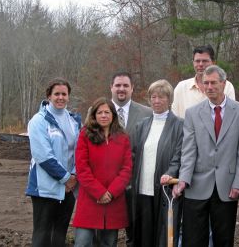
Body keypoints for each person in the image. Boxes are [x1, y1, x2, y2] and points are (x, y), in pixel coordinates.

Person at [173, 65, 239, 247]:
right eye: (205, 83)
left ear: (223, 83)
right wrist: (183, 179)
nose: (209, 87)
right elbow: (189, 150)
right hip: (196, 184)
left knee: (223, 239)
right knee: (193, 239)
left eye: (213, 83)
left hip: (227, 187)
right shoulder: (192, 113)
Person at [26, 78, 81, 247]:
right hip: (45, 189)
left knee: (59, 236)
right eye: (56, 94)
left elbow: (80, 152)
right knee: (42, 237)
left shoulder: (74, 121)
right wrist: (66, 178)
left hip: (68, 190)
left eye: (64, 94)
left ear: (68, 97)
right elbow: (43, 156)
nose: (60, 97)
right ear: (49, 96)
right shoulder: (39, 121)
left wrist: (74, 175)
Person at [73, 97, 132, 247]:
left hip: (113, 201)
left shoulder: (123, 137)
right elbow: (82, 168)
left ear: (113, 115)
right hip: (90, 199)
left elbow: (126, 169)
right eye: (100, 112)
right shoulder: (85, 135)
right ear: (94, 115)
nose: (104, 115)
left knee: (109, 243)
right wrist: (99, 192)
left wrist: (111, 192)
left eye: (107, 112)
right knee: (83, 242)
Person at [131, 79, 184, 247]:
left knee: (163, 235)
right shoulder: (142, 125)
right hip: (143, 188)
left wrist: (171, 172)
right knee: (144, 233)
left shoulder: (179, 125)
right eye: (153, 97)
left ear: (169, 100)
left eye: (161, 97)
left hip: (165, 188)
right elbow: (134, 154)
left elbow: (179, 155)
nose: (157, 101)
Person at [110, 71, 152, 246]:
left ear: (132, 88)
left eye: (125, 85)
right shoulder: (99, 110)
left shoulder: (147, 113)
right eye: (118, 85)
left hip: (136, 182)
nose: (121, 89)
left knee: (135, 230)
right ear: (111, 87)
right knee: (105, 231)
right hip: (107, 182)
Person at [172, 44, 236, 118]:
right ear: (193, 62)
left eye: (205, 61)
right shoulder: (181, 88)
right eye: (197, 61)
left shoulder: (226, 86)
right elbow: (175, 118)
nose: (201, 64)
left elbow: (231, 116)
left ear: (213, 62)